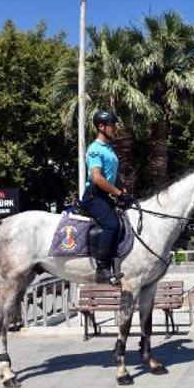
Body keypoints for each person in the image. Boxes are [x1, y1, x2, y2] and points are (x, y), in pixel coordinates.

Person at [79, 111, 135, 284]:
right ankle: (102, 268)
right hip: (94, 196)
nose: (115, 129)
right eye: (112, 125)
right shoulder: (95, 149)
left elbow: (112, 175)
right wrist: (118, 193)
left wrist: (124, 193)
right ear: (101, 127)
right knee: (111, 225)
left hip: (106, 195)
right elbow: (97, 177)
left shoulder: (109, 149)